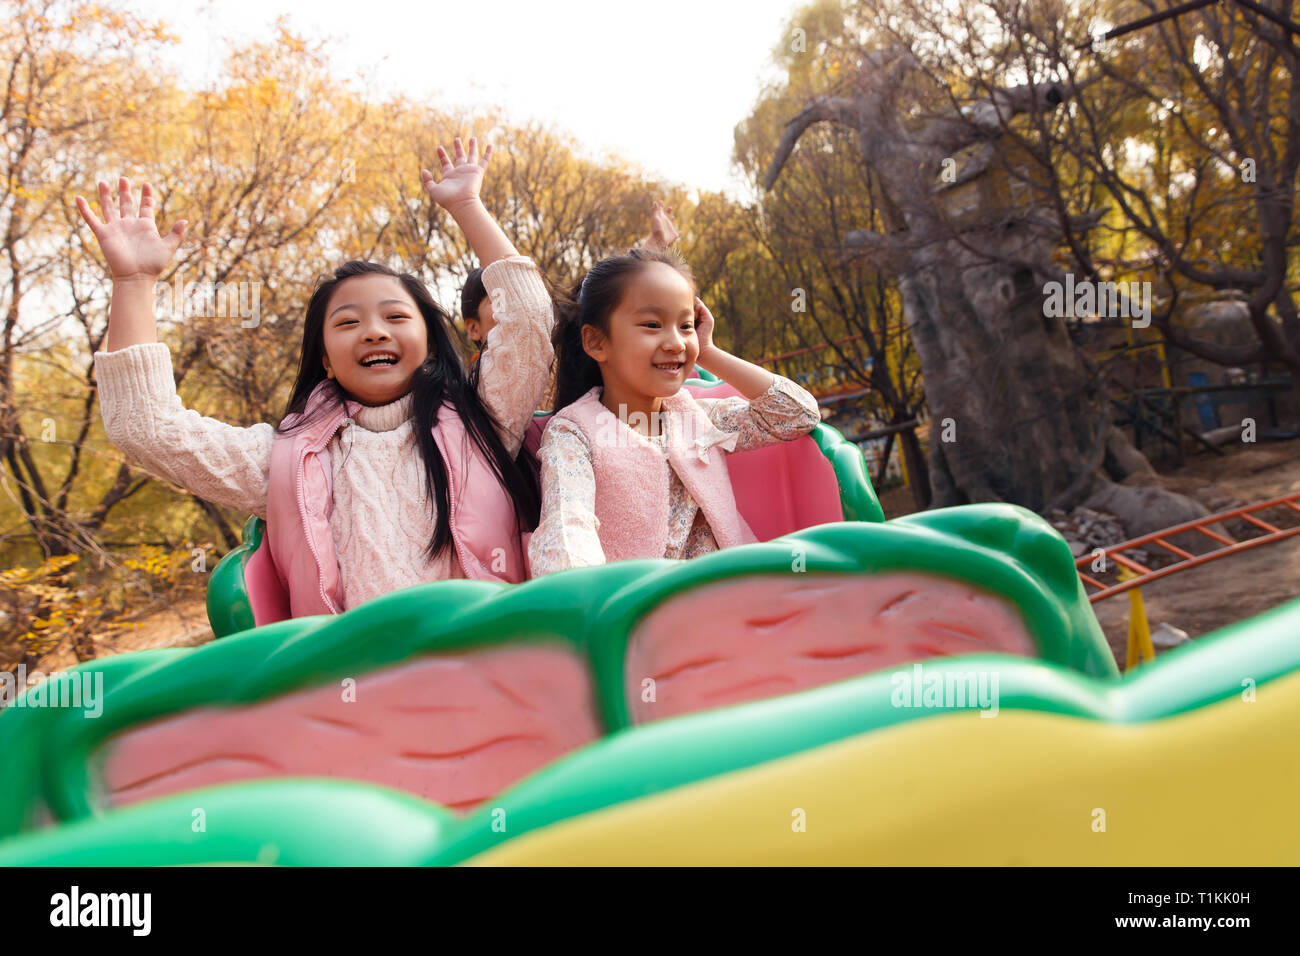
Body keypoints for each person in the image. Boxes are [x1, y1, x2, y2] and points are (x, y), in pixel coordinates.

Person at [79, 137, 553, 617]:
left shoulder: (486, 419)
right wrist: (134, 284)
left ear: (429, 342)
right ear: (324, 359)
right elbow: (146, 426)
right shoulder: (287, 462)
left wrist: (468, 206)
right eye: (347, 323)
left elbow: (529, 321)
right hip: (355, 685)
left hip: (488, 671)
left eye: (395, 317)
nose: (372, 332)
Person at [526, 243, 821, 576]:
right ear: (596, 342)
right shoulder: (574, 433)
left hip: (735, 593)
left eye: (685, 326)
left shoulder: (699, 419)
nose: (676, 343)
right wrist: (589, 602)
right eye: (652, 325)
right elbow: (567, 529)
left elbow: (798, 414)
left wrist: (708, 352)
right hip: (639, 610)